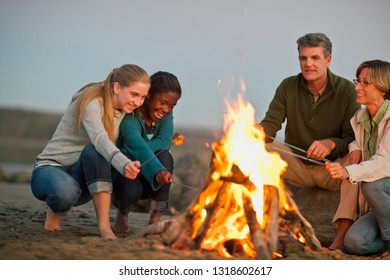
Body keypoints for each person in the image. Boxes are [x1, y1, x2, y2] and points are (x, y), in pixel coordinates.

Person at [257, 33, 361, 250]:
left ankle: (340, 238)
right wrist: (254, 132)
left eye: (314, 58)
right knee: (258, 149)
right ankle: (261, 225)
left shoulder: (346, 91)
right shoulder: (288, 86)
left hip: (332, 170)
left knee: (358, 156)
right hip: (297, 167)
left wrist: (331, 143)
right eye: (303, 58)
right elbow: (270, 127)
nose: (308, 64)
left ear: (328, 60)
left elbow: (353, 137)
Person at [30, 64, 150, 240]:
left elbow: (155, 114)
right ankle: (56, 207)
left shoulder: (127, 109)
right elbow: (100, 139)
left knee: (97, 155)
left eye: (143, 97)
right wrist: (124, 164)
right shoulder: (92, 102)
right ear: (117, 87)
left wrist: (172, 137)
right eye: (134, 94)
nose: (138, 102)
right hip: (52, 169)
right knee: (67, 190)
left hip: (83, 175)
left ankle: (104, 227)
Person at [325, 59, 390, 255]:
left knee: (371, 183)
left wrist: (347, 171)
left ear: (383, 87)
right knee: (354, 242)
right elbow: (359, 141)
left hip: (383, 187)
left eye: (365, 83)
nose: (357, 88)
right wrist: (354, 147)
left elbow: (383, 163)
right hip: (382, 206)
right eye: (358, 81)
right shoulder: (360, 119)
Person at [112, 71, 182, 232]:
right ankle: (123, 212)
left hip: (151, 175)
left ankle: (154, 220)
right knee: (128, 161)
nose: (166, 109)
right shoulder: (130, 115)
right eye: (163, 102)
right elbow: (134, 143)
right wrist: (134, 153)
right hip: (127, 174)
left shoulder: (166, 116)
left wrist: (156, 167)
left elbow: (165, 142)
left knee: (165, 157)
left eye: (172, 106)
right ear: (149, 94)